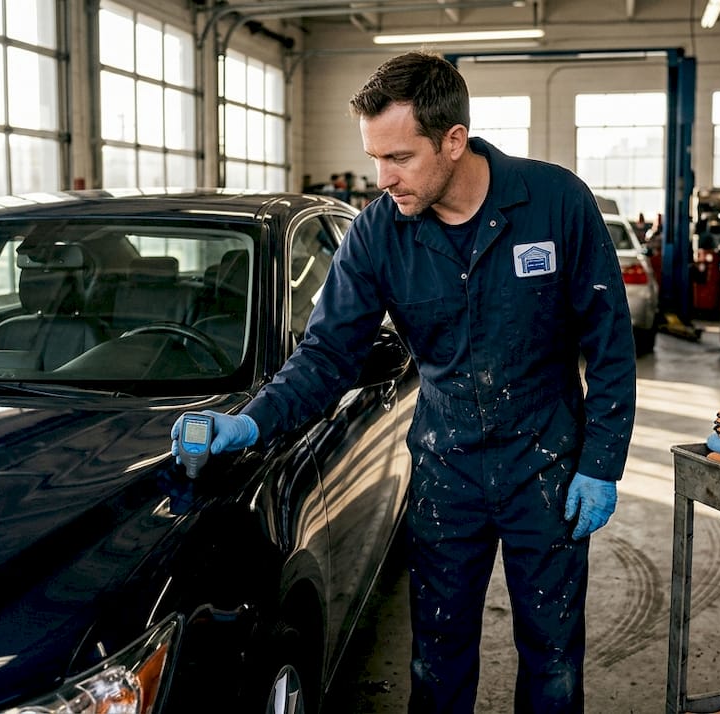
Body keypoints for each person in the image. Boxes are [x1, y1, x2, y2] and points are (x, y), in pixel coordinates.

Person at [171, 50, 636, 713]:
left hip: (547, 468)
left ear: (453, 140)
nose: (382, 178)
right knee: (438, 658)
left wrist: (601, 463)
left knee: (553, 658)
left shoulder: (556, 203)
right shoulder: (377, 236)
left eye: (398, 157)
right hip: (447, 474)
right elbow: (327, 355)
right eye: (374, 158)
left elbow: (610, 343)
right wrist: (252, 420)